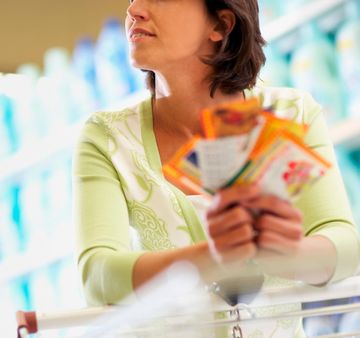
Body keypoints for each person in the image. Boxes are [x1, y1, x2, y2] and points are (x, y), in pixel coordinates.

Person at [73, 0, 360, 336]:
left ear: (221, 25)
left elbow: (346, 249)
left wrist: (288, 252)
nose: (134, 9)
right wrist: (213, 256)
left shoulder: (290, 114)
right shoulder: (107, 137)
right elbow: (97, 275)